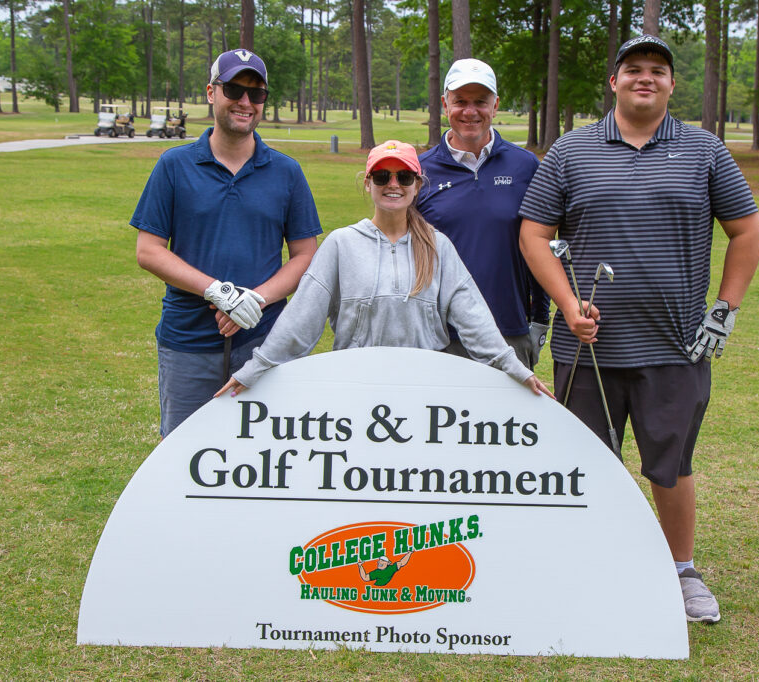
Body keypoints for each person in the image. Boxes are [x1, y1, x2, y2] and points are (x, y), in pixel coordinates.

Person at [518, 35, 759, 624]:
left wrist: (724, 308)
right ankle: (588, 565)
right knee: (584, 462)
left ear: (672, 84)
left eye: (657, 70)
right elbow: (534, 233)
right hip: (588, 348)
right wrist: (567, 303)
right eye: (633, 69)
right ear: (614, 82)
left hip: (675, 345)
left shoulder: (705, 150)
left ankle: (681, 572)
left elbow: (747, 230)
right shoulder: (571, 150)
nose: (645, 78)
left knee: (671, 465)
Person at [216, 140, 552, 398]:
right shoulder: (341, 244)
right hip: (355, 387)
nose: (393, 184)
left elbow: (473, 317)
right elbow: (302, 319)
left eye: (404, 177)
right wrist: (256, 368)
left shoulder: (438, 246)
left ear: (417, 185)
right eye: (382, 176)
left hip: (425, 391)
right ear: (368, 183)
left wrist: (514, 367)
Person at [132, 49, 322, 436]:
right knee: (184, 452)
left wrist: (256, 299)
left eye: (257, 93)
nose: (245, 102)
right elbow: (148, 250)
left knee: (266, 455)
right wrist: (217, 292)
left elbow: (305, 255)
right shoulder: (174, 165)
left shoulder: (286, 171)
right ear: (211, 93)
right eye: (234, 90)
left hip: (264, 342)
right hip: (188, 340)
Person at [417, 58, 550, 371]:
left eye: (480, 101)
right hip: (441, 335)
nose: (470, 111)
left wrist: (540, 320)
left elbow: (540, 247)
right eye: (460, 101)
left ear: (495, 105)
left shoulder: (525, 166)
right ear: (444, 104)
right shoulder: (420, 170)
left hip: (509, 329)